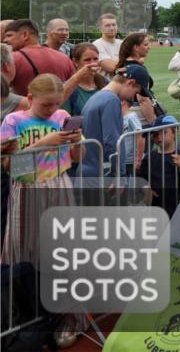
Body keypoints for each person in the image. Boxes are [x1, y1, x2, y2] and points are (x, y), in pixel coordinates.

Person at [1, 74, 84, 348]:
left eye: (56, 104)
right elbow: (10, 166)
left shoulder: (62, 116)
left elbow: (78, 158)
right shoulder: (14, 121)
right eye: (46, 105)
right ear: (30, 98)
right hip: (26, 190)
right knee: (23, 251)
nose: (52, 110)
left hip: (59, 185)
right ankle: (24, 316)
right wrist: (43, 143)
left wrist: (75, 141)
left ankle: (66, 316)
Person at [79, 64, 151, 178]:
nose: (132, 98)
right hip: (101, 171)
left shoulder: (96, 97)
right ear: (130, 83)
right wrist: (119, 174)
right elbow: (112, 140)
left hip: (88, 168)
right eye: (135, 92)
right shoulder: (111, 100)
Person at [137, 115, 180, 217]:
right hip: (154, 205)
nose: (159, 136)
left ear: (174, 133)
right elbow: (141, 177)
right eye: (155, 134)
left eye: (164, 132)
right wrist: (145, 187)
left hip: (174, 204)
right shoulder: (150, 157)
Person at [6, 19, 75, 96]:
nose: (5, 40)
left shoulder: (12, 59)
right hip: (58, 106)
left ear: (25, 35)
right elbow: (74, 89)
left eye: (9, 35)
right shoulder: (64, 58)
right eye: (61, 30)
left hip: (24, 107)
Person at [117, 33, 157, 122]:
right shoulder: (136, 69)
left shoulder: (125, 65)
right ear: (136, 47)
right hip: (141, 115)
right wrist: (153, 123)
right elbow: (143, 100)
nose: (149, 47)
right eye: (146, 44)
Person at [63, 43, 106, 116]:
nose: (93, 63)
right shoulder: (69, 87)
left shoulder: (105, 82)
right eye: (87, 60)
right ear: (75, 62)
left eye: (96, 59)